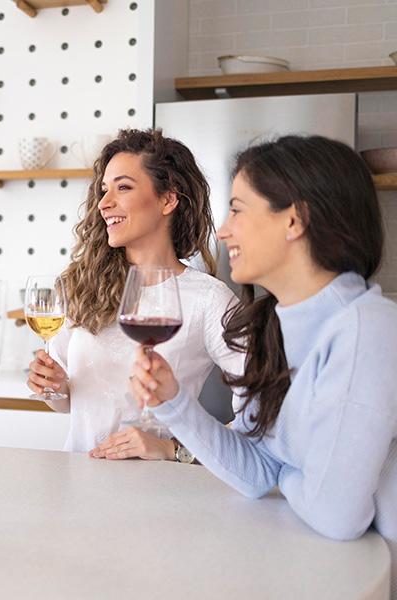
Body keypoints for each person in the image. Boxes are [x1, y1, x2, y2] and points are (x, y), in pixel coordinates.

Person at [130, 135, 397, 595]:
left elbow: (338, 516)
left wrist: (287, 474)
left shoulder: (366, 329)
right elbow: (256, 472)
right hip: (324, 570)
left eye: (237, 209)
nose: (223, 230)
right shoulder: (274, 327)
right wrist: (173, 403)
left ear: (294, 219)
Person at [27, 128, 244, 461]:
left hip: (159, 493)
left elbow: (263, 412)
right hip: (80, 481)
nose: (104, 203)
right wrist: (51, 385)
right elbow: (69, 401)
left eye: (123, 187)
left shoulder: (209, 299)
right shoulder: (82, 286)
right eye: (103, 190)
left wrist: (174, 450)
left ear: (168, 199)